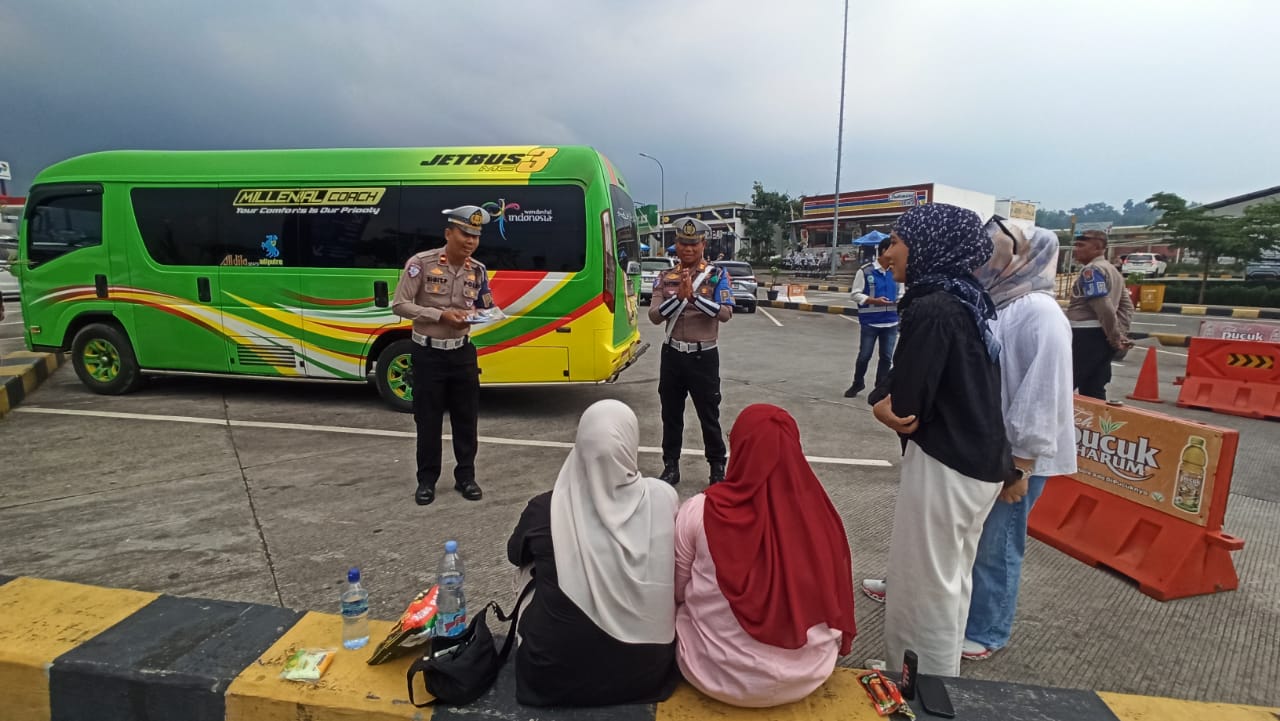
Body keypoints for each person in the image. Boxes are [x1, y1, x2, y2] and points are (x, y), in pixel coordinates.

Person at [860, 222, 1078, 662]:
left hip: (1004, 454)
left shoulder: (1037, 311)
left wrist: (1020, 466)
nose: (984, 257)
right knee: (953, 560)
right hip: (983, 448)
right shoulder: (986, 299)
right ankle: (931, 651)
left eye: (997, 249)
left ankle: (977, 635)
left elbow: (1043, 394)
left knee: (987, 552)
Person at [864, 203, 1020, 677]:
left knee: (924, 583)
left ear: (928, 244)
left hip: (947, 464)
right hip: (977, 462)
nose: (887, 254)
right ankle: (937, 675)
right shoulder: (968, 298)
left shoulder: (932, 306)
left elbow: (907, 406)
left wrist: (880, 402)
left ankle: (917, 684)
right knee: (951, 580)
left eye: (896, 242)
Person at [674, 404, 857, 708]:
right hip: (807, 675)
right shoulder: (821, 516)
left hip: (713, 675)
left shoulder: (700, 511)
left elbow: (678, 592)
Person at [507, 399, 681, 707]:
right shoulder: (664, 498)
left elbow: (514, 554)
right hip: (648, 673)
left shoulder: (547, 509)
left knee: (532, 567)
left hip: (552, 676)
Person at [392, 205, 496, 506]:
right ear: (448, 233)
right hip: (428, 353)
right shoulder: (420, 264)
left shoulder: (478, 270)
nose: (471, 241)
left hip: (462, 353)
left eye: (476, 236)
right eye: (465, 234)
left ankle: (466, 477)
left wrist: (477, 316)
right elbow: (400, 304)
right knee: (428, 420)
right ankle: (426, 481)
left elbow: (486, 306)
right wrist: (439, 315)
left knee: (467, 419)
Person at [650, 217, 734, 486]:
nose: (688, 249)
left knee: (709, 415)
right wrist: (678, 298)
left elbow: (725, 314)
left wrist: (694, 298)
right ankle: (671, 466)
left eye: (693, 244)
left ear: (703, 244)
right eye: (683, 243)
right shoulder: (665, 277)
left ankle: (717, 468)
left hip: (703, 356)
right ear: (676, 244)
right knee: (671, 414)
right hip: (672, 355)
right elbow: (654, 316)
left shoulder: (717, 275)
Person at [1068, 229, 1134, 399]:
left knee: (1064, 385)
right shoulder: (1113, 271)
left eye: (1081, 245)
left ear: (1097, 247)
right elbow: (1127, 307)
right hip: (1102, 337)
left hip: (1085, 335)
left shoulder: (1091, 271)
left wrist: (1115, 337)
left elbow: (1103, 305)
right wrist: (1119, 333)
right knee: (1093, 390)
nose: (1076, 249)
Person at [844, 237, 904, 398]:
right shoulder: (865, 271)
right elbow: (855, 294)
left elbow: (901, 293)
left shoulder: (896, 272)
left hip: (891, 322)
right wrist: (873, 301)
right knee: (864, 356)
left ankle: (880, 387)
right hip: (870, 323)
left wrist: (900, 300)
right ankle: (858, 382)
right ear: (884, 251)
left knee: (886, 357)